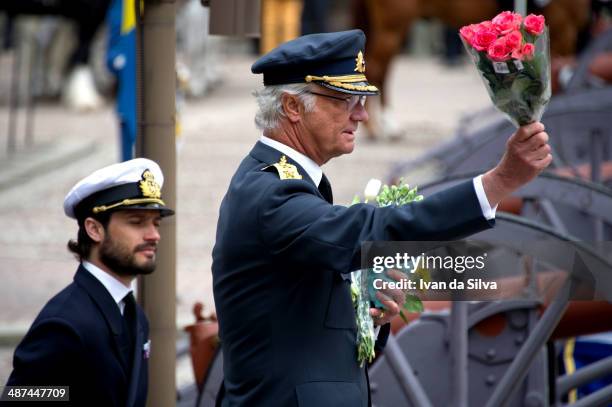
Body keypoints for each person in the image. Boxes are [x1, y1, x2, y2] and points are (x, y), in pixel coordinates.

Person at [211, 29, 552, 406]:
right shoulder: (270, 192)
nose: (361, 114)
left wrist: (368, 317)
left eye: (362, 99)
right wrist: (497, 183)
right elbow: (368, 232)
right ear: (293, 107)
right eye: (346, 100)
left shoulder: (284, 182)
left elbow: (301, 322)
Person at [4, 158, 174, 406]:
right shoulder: (64, 325)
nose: (154, 235)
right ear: (94, 229)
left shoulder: (133, 315)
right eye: (136, 222)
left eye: (155, 223)